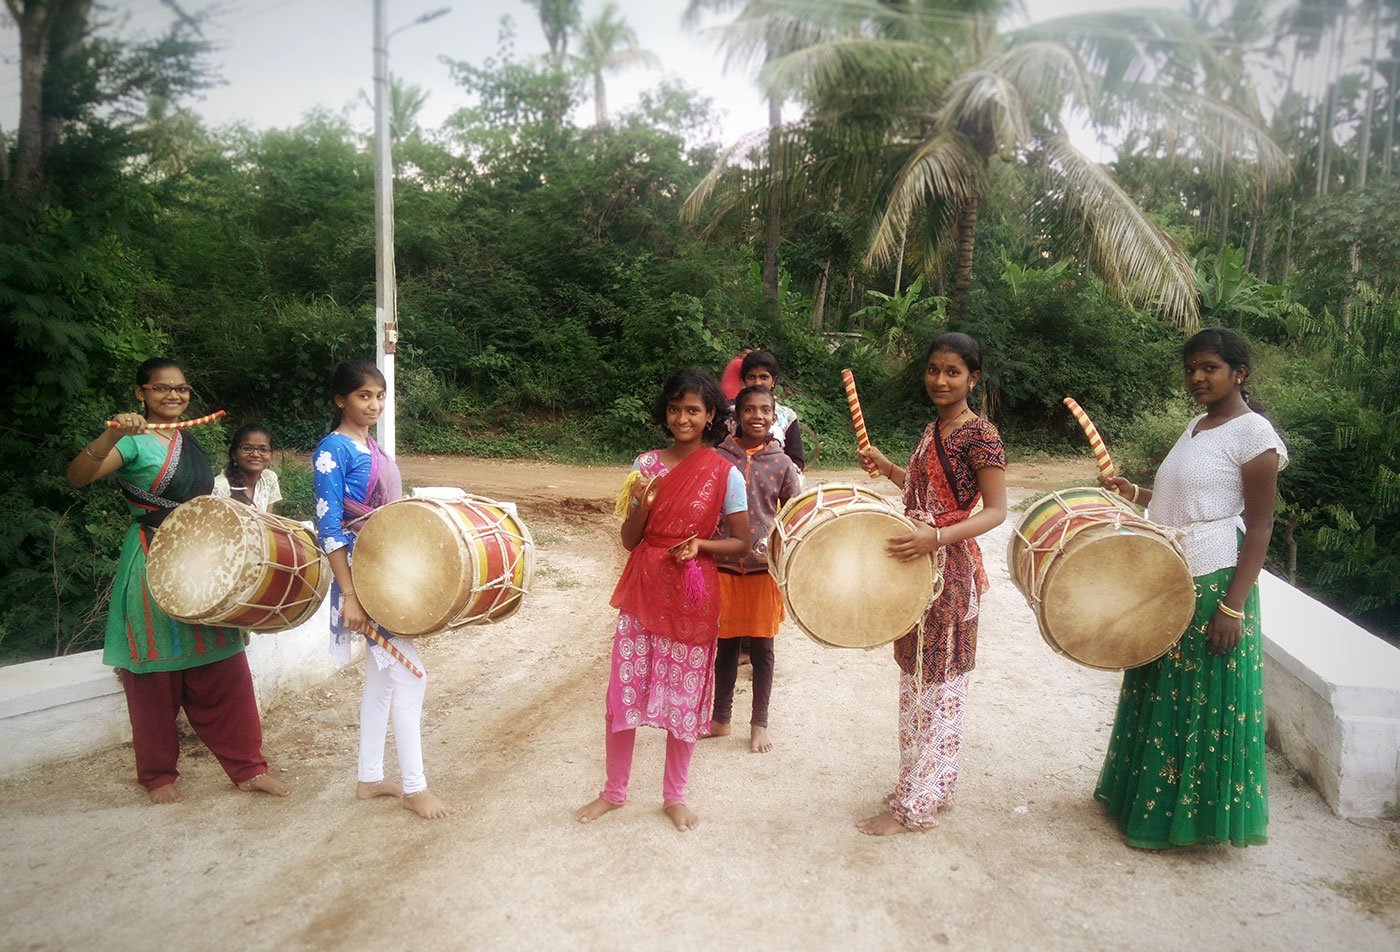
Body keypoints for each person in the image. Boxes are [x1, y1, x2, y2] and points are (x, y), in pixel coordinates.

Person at [65, 357, 290, 804]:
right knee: (154, 670)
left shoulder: (188, 440)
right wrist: (113, 433)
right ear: (141, 394)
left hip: (200, 560)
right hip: (151, 559)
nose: (174, 395)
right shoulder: (132, 441)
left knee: (224, 664)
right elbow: (78, 477)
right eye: (162, 388)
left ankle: (247, 767)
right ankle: (158, 776)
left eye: (181, 389)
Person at [1094, 327, 1286, 849]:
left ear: (1238, 373)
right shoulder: (1197, 426)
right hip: (1172, 573)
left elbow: (1260, 525)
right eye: (1190, 369)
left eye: (1209, 368)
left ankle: (1187, 824)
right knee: (1160, 688)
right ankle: (1146, 805)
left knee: (1196, 700)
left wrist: (1233, 605)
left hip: (1216, 580)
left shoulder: (1255, 436)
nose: (1197, 377)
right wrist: (1133, 491)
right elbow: (1180, 501)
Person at [576, 368, 750, 832]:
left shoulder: (725, 472)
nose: (682, 418)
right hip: (644, 588)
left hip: (693, 592)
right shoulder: (645, 465)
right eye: (674, 409)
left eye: (693, 409)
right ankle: (613, 792)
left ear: (710, 413)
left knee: (685, 693)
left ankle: (674, 795)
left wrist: (701, 545)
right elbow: (630, 539)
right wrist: (641, 504)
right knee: (624, 689)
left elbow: (741, 541)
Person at [857, 333, 1007, 834]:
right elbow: (921, 492)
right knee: (916, 677)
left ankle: (916, 803)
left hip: (950, 571)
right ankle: (924, 781)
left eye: (953, 372)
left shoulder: (980, 434)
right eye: (933, 370)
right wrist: (889, 468)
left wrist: (936, 538)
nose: (940, 381)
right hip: (917, 567)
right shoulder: (934, 428)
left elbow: (996, 511)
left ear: (973, 379)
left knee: (942, 682)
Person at [313, 360, 453, 820]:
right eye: (363, 396)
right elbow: (329, 527)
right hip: (364, 577)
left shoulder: (369, 445)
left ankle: (370, 777)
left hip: (385, 570)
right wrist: (350, 595)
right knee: (412, 675)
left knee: (382, 681)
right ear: (340, 400)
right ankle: (414, 786)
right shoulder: (333, 450)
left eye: (379, 395)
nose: (373, 404)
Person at [708, 386, 802, 753]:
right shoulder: (718, 459)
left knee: (763, 648)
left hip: (764, 569)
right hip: (724, 567)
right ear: (736, 416)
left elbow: (795, 514)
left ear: (774, 417)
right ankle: (721, 719)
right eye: (749, 409)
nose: (757, 416)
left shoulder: (781, 464)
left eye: (765, 410)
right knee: (726, 647)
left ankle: (759, 723)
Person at [740, 349, 804, 471]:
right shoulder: (730, 415)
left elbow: (797, 461)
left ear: (773, 381)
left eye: (763, 377)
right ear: (743, 381)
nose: (757, 382)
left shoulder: (787, 416)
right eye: (751, 377)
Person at [213, 423, 282, 513]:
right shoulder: (219, 487)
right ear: (234, 454)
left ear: (271, 455)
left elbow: (268, 523)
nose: (255, 454)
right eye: (247, 448)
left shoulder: (269, 479)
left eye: (263, 449)